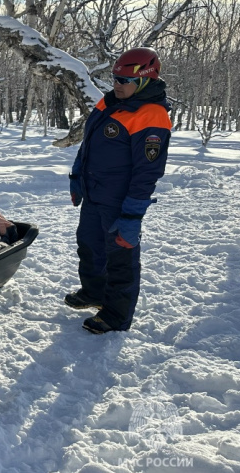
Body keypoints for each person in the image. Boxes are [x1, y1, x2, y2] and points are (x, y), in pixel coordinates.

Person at [66, 47, 172, 334]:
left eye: (124, 80)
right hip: (94, 193)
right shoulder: (109, 102)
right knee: (89, 245)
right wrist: (76, 175)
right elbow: (88, 143)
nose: (116, 84)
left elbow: (148, 171)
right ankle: (94, 292)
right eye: (114, 78)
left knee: (120, 257)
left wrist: (133, 215)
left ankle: (115, 316)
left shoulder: (151, 115)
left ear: (145, 80)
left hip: (119, 200)